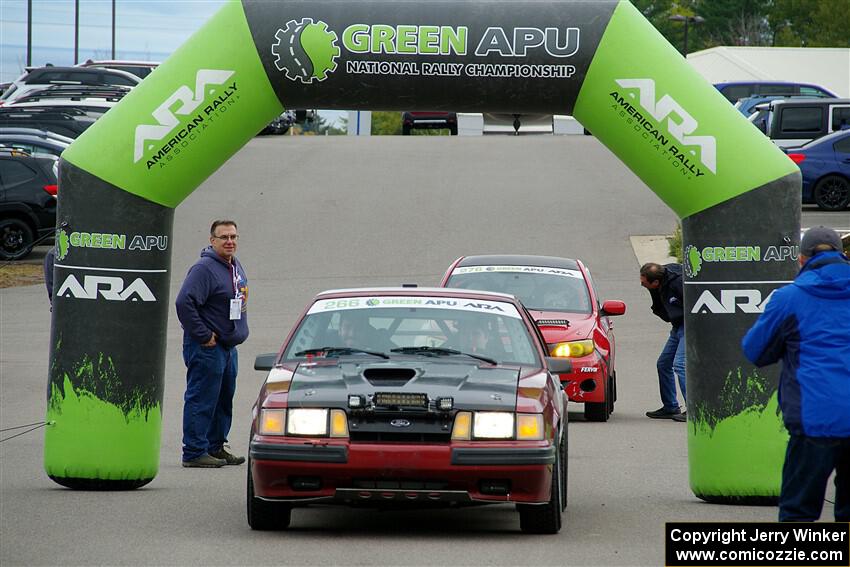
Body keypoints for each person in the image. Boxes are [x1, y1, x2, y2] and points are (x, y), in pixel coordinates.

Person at [742, 226, 850, 522]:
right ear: (843, 256)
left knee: (798, 513)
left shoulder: (790, 298)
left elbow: (755, 351)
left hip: (814, 419)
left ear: (801, 260)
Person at [175, 220, 249, 468]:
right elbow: (184, 303)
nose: (230, 241)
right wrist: (204, 335)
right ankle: (194, 451)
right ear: (212, 240)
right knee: (202, 397)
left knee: (223, 399)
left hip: (228, 347)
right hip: (207, 347)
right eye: (224, 237)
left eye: (234, 236)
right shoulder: (204, 268)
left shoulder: (232, 265)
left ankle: (215, 447)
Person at [639, 262, 687, 422]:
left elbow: (696, 304)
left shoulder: (678, 283)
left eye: (645, 284)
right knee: (663, 364)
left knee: (680, 364)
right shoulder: (658, 281)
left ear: (656, 282)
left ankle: (694, 409)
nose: (642, 285)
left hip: (689, 326)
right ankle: (670, 407)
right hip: (677, 326)